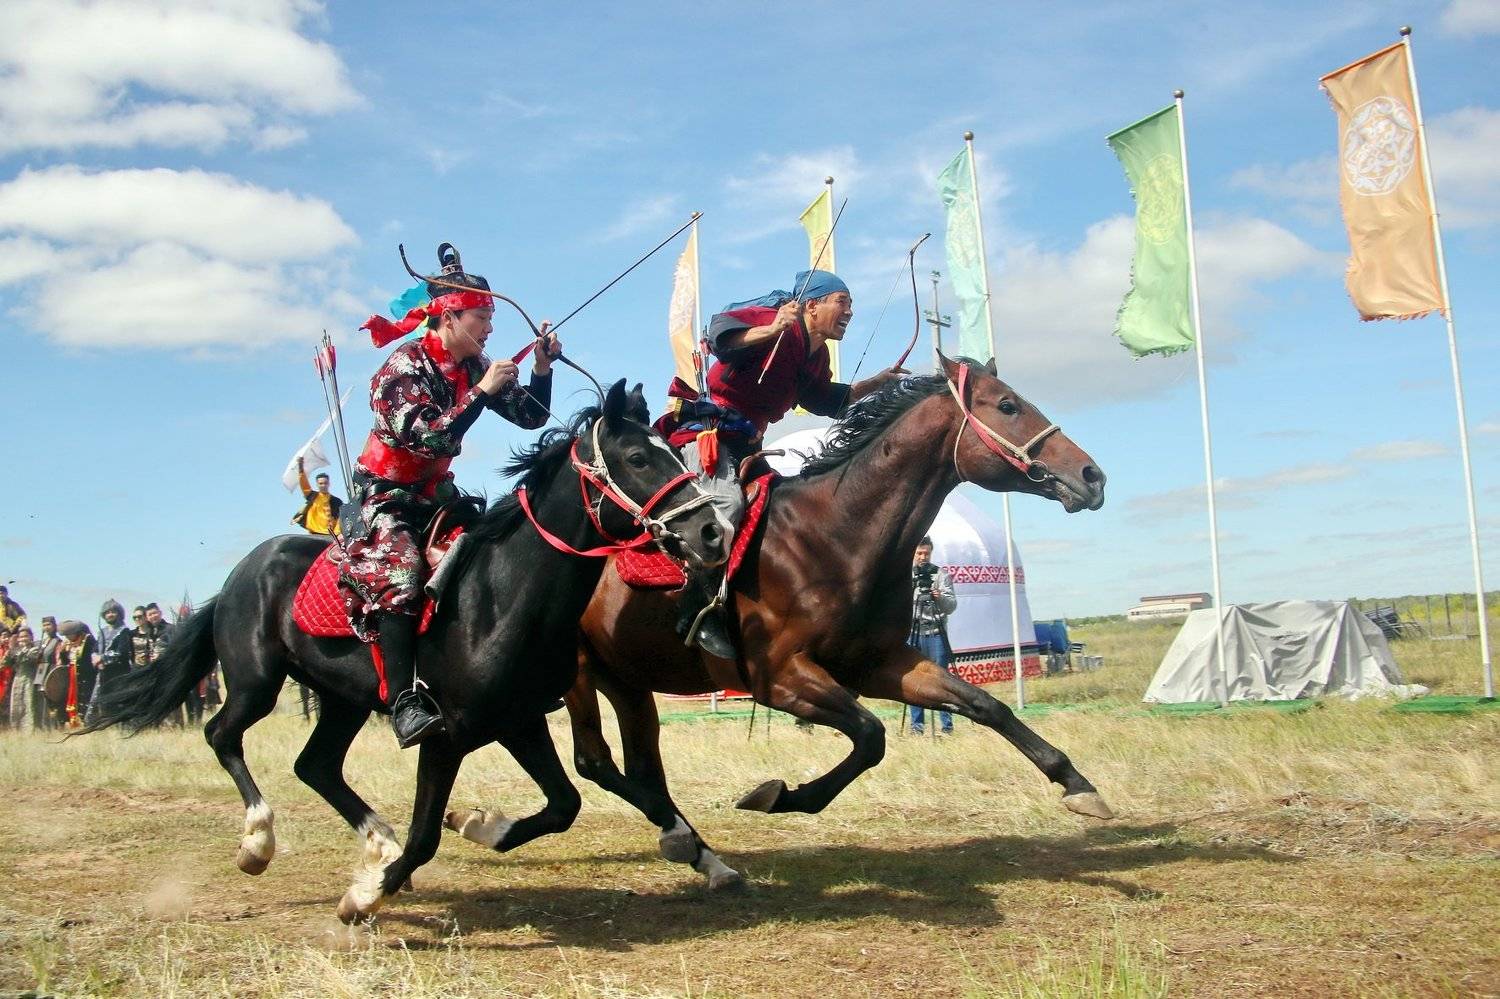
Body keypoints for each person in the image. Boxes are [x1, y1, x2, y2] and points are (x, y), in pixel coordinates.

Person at [341, 242, 560, 748]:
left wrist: (542, 368)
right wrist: (482, 392)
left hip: (436, 494)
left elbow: (532, 416)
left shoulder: (473, 365)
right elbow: (430, 440)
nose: (489, 329)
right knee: (402, 573)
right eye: (481, 318)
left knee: (499, 552)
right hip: (384, 496)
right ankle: (404, 701)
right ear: (449, 318)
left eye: (491, 319)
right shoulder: (401, 369)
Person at [653, 269, 905, 657]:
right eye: (842, 302)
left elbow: (822, 400)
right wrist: (771, 328)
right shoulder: (777, 317)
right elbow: (720, 336)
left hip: (749, 444)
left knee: (783, 516)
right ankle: (695, 609)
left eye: (851, 305)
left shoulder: (816, 354)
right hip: (709, 434)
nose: (850, 312)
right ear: (812, 305)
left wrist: (876, 383)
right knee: (726, 506)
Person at [908, 536, 958, 736]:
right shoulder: (906, 575)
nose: (923, 557)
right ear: (914, 553)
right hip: (914, 632)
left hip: (936, 632)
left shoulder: (940, 575)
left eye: (926, 553)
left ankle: (947, 726)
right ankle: (917, 726)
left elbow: (951, 606)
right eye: (919, 553)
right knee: (913, 680)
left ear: (931, 553)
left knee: (941, 678)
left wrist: (940, 598)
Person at [89, 599, 133, 724]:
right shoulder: (102, 631)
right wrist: (95, 658)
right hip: (103, 673)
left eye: (113, 612)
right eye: (107, 612)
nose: (110, 614)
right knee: (99, 702)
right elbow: (95, 649)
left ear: (119, 613)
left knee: (119, 701)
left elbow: (121, 652)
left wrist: (102, 658)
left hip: (119, 673)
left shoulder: (124, 631)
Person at [292, 457, 343, 536]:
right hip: (314, 534)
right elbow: (304, 484)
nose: (323, 485)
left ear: (328, 483)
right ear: (317, 484)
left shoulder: (336, 501)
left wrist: (336, 534)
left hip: (330, 535)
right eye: (321, 483)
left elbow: (340, 518)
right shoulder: (313, 496)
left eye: (325, 483)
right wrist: (300, 466)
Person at [3, 626, 42, 729]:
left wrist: (18, 651)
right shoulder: (15, 650)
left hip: (30, 678)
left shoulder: (35, 649)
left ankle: (29, 730)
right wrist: (8, 653)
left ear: (31, 637)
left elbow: (30, 658)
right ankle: (16, 728)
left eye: (25, 636)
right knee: (16, 703)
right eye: (20, 637)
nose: (23, 639)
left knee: (28, 703)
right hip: (17, 679)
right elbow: (7, 664)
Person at [36, 616, 62, 729]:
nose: (46, 627)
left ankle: (54, 726)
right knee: (41, 699)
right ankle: (43, 726)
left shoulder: (58, 642)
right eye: (44, 625)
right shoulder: (42, 641)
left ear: (54, 626)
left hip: (51, 671)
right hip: (41, 671)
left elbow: (59, 660)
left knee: (52, 700)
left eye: (48, 624)